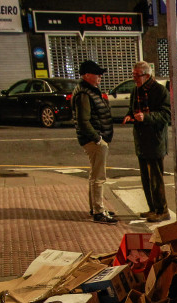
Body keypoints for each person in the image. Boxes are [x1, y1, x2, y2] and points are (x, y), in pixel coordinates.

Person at [123, 61, 172, 223]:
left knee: (155, 178)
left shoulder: (159, 91)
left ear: (147, 75)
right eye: (134, 75)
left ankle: (162, 210)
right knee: (145, 177)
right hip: (141, 139)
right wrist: (129, 116)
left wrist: (147, 117)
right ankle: (152, 208)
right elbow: (133, 108)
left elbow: (166, 115)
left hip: (155, 140)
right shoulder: (135, 90)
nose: (134, 78)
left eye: (137, 75)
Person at [72, 59, 117, 223]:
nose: (100, 76)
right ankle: (98, 211)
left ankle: (95, 208)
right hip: (95, 139)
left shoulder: (89, 90)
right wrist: (98, 139)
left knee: (94, 175)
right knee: (99, 177)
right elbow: (83, 120)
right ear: (87, 75)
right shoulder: (84, 93)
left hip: (95, 137)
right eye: (97, 73)